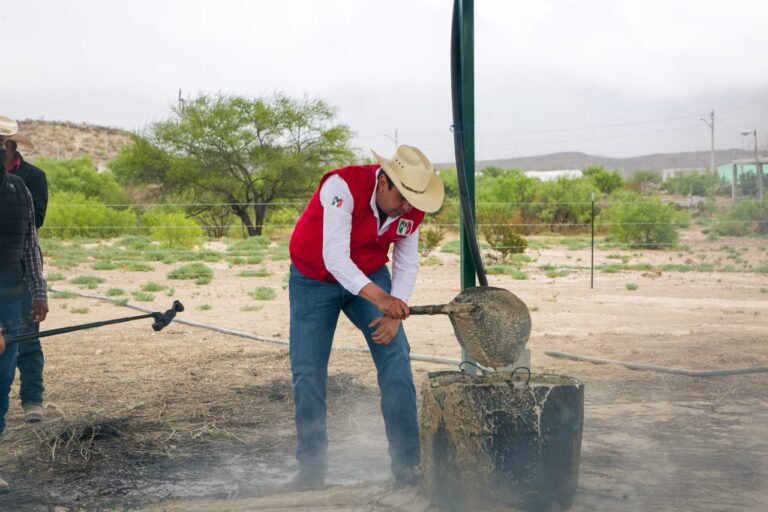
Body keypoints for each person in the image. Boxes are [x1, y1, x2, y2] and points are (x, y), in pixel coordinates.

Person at [286, 144, 444, 490]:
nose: (406, 208)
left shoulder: (410, 208)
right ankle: (311, 471)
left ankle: (407, 465)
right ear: (383, 181)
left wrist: (396, 311)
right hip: (315, 276)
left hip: (371, 274)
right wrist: (383, 299)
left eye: (412, 202)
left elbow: (407, 260)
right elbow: (336, 259)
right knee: (308, 372)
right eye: (401, 198)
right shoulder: (342, 187)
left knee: (396, 358)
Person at [0, 162, 49, 495]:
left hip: (11, 300)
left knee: (2, 381)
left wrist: (39, 291)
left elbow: (30, 244)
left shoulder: (20, 189)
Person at [3, 134, 49, 423]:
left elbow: (36, 223)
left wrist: (38, 288)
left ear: (10, 147)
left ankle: (32, 399)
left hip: (20, 268)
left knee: (27, 337)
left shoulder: (30, 178)